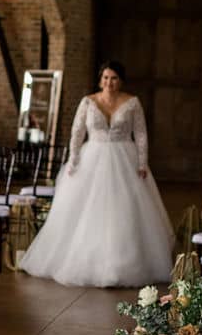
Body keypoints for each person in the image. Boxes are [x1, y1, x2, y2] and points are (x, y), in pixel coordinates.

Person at [19, 60, 174, 287]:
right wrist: (73, 159)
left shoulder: (132, 102)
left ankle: (124, 263)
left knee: (125, 210)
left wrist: (142, 162)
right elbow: (77, 132)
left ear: (120, 80)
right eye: (105, 78)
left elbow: (140, 134)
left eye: (114, 78)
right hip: (92, 157)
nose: (109, 83)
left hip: (125, 158)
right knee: (85, 210)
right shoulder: (88, 102)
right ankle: (84, 260)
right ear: (100, 80)